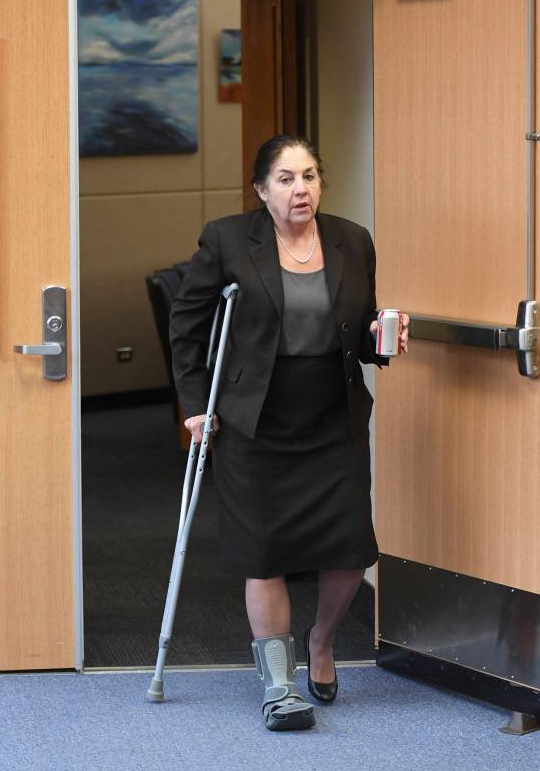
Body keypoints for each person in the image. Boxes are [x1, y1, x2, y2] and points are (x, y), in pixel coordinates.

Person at [169, 134, 409, 732]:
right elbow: (188, 326)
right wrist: (197, 405)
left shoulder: (352, 240)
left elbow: (360, 323)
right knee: (264, 552)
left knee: (349, 549)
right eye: (285, 178)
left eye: (308, 176)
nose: (299, 189)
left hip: (333, 415)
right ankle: (278, 685)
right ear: (260, 189)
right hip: (255, 421)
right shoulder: (227, 239)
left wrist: (383, 342)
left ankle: (322, 642)